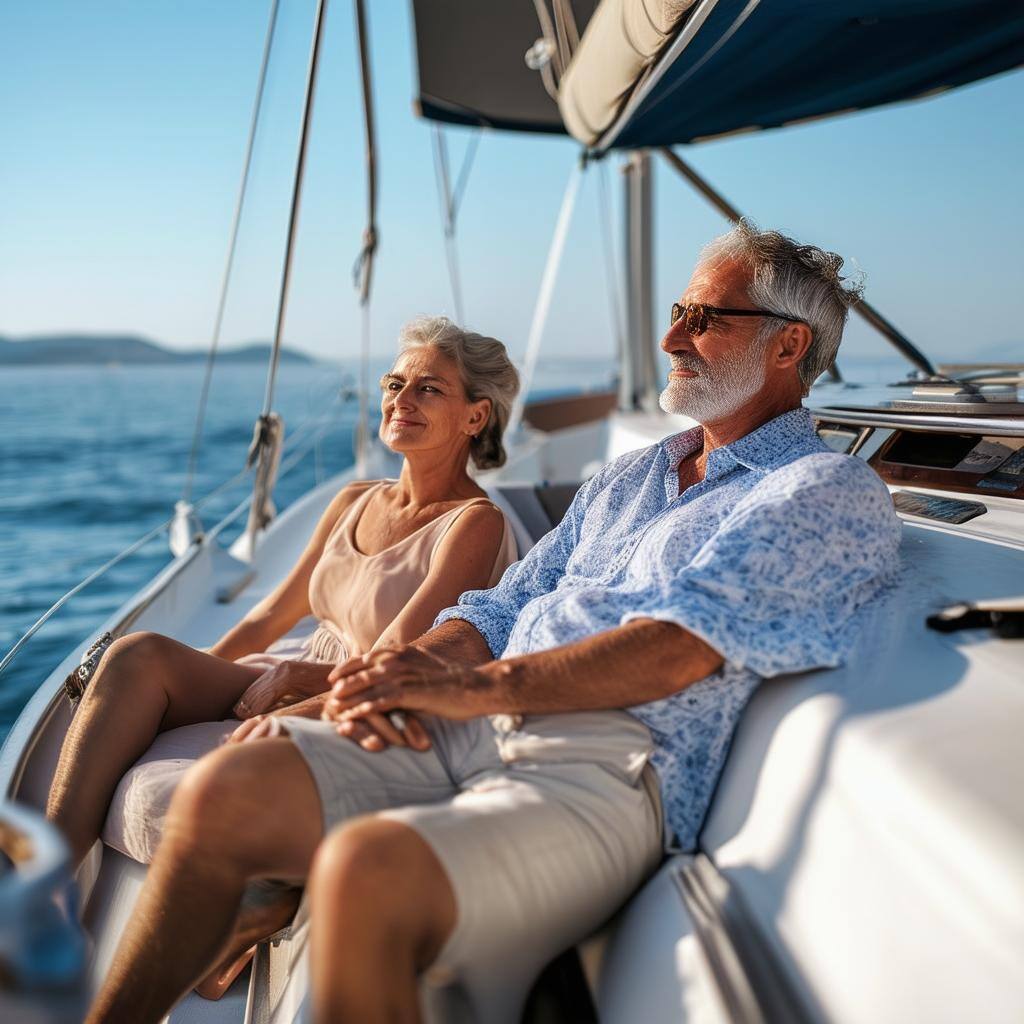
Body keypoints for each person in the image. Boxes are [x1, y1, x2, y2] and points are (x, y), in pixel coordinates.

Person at [84, 223, 902, 1024]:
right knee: (221, 793)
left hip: (605, 761)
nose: (669, 336)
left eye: (704, 318)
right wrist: (405, 674)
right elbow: (498, 606)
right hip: (469, 718)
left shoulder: (818, 487)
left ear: (788, 347)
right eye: (679, 311)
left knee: (365, 872)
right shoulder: (630, 473)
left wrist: (469, 689)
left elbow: (676, 646)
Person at [45, 315, 520, 988]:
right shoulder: (354, 499)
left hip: (364, 696)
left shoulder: (473, 524)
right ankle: (43, 889)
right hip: (294, 668)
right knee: (137, 655)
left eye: (429, 390)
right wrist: (191, 681)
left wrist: (300, 681)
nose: (402, 400)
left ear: (475, 417)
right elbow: (272, 614)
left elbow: (394, 661)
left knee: (182, 713)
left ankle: (250, 901)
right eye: (394, 383)